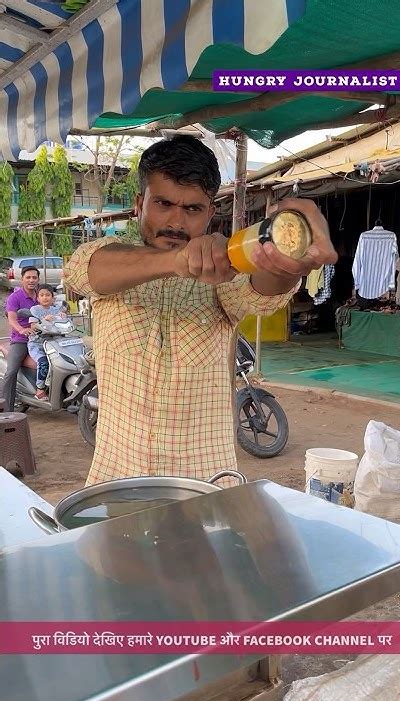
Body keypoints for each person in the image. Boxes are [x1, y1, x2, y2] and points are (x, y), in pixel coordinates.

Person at [64, 135, 337, 486]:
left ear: (210, 213)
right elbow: (86, 270)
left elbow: (262, 290)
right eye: (163, 203)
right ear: (138, 203)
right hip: (117, 485)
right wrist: (176, 260)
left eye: (192, 209)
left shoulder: (224, 274)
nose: (176, 222)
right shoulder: (108, 257)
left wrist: (287, 261)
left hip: (207, 490)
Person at [2, 266, 39, 411]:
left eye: (34, 277)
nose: (31, 280)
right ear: (22, 279)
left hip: (41, 338)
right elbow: (11, 319)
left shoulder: (41, 295)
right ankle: (6, 411)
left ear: (38, 279)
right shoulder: (15, 297)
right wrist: (22, 330)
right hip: (21, 340)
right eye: (28, 277)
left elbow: (51, 310)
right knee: (11, 372)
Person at [27, 284, 66, 400]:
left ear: (53, 298)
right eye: (42, 295)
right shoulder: (34, 310)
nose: (45, 297)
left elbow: (64, 324)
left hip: (53, 343)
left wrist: (63, 317)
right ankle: (40, 389)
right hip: (37, 344)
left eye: (48, 295)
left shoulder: (56, 310)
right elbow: (33, 327)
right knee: (43, 362)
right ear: (38, 298)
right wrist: (44, 320)